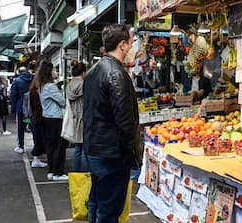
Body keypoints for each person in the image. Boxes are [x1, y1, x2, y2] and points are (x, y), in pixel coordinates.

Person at [83, 24, 141, 223]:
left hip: (95, 149)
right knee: (109, 210)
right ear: (123, 45)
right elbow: (124, 122)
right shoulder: (116, 73)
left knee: (97, 202)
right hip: (111, 154)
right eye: (132, 43)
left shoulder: (93, 71)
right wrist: (132, 155)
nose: (133, 47)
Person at [37, 60, 67, 181]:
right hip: (55, 118)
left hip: (46, 118)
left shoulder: (42, 85)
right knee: (59, 146)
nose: (56, 72)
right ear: (49, 72)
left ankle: (51, 171)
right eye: (54, 70)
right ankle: (58, 173)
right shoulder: (50, 86)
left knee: (51, 146)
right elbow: (62, 102)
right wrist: (59, 89)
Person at [66, 60, 87, 171]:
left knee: (77, 148)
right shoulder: (83, 84)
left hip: (74, 118)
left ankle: (75, 172)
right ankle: (84, 174)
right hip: (83, 118)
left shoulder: (69, 85)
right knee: (84, 149)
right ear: (83, 73)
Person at [10, 66, 34, 154]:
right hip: (31, 107)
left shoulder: (17, 81)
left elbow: (13, 95)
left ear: (19, 72)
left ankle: (21, 146)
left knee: (21, 127)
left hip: (21, 108)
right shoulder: (33, 79)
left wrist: (13, 107)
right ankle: (36, 146)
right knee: (33, 126)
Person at [29, 76, 47, 168]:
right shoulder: (36, 93)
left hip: (35, 117)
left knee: (37, 139)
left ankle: (36, 159)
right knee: (38, 139)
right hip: (38, 117)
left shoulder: (32, 91)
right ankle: (35, 159)